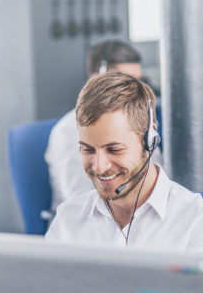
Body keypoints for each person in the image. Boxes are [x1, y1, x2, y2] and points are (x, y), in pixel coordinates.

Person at [45, 72, 203, 253]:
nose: (99, 166)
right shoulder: (67, 220)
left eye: (114, 149)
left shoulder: (199, 224)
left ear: (149, 140)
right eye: (88, 149)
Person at [45, 39, 152, 211]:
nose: (134, 93)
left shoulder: (139, 122)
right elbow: (80, 203)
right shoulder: (68, 132)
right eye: (124, 83)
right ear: (97, 80)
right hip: (86, 227)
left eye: (138, 83)